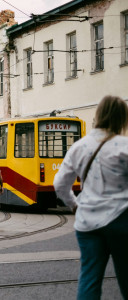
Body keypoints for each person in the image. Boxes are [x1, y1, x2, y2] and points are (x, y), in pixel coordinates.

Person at [54, 95, 128, 300]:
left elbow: (59, 184)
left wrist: (74, 205)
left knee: (89, 278)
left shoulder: (79, 146)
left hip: (88, 223)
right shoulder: (124, 145)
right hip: (122, 219)